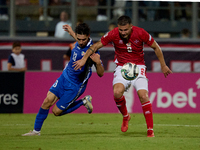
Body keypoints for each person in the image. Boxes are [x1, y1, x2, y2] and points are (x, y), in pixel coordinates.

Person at [69, 16, 172, 137]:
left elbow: (156, 47)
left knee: (143, 96)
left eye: (126, 30)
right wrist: (84, 59)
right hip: (121, 66)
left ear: (131, 27)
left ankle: (150, 130)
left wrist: (163, 65)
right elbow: (95, 46)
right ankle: (125, 116)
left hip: (138, 67)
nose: (123, 33)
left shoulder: (141, 33)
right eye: (121, 30)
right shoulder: (113, 34)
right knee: (117, 93)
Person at [22, 23, 104, 136]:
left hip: (75, 86)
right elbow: (76, 36)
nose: (80, 42)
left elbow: (101, 73)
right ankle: (36, 131)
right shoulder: (79, 40)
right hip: (64, 78)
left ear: (88, 36)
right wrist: (70, 30)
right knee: (47, 101)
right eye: (78, 39)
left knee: (56, 112)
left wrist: (98, 63)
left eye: (83, 39)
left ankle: (83, 102)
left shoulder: (93, 51)